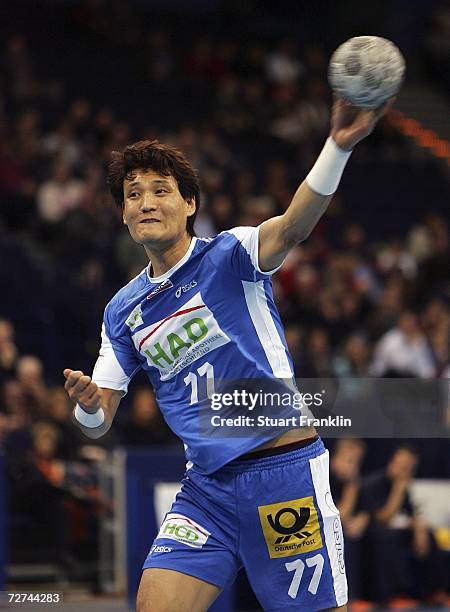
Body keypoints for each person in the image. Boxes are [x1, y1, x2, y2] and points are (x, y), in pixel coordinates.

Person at [64, 97, 390, 611]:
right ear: (124, 215)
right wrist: (86, 404)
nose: (145, 201)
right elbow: (98, 421)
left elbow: (292, 227)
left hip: (282, 476)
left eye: (160, 190)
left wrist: (337, 146)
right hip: (206, 492)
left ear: (190, 203)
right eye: (132, 195)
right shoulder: (121, 311)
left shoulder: (231, 254)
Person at [360, 445, 448, 605]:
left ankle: (434, 591)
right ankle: (392, 596)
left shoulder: (403, 486)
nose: (404, 472)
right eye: (402, 466)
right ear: (392, 462)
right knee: (387, 539)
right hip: (374, 533)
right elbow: (383, 518)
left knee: (429, 536)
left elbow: (411, 513)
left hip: (397, 531)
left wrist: (419, 530)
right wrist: (398, 490)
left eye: (408, 468)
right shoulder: (372, 484)